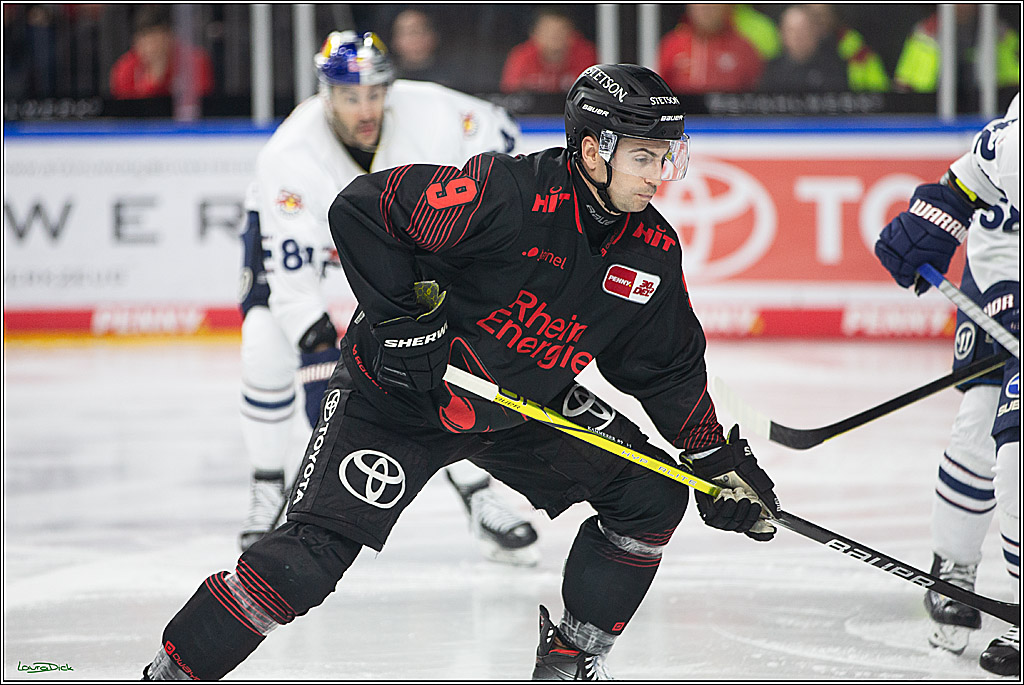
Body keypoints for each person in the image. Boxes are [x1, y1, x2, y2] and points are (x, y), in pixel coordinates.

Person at [141, 63, 782, 681]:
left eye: (667, 154)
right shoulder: (506, 195)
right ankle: (174, 672)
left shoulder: (652, 252)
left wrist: (713, 460)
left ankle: (570, 661)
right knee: (308, 559)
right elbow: (365, 209)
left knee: (649, 496)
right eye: (645, 156)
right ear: (593, 152)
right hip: (396, 396)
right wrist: (403, 323)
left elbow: (666, 370)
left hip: (520, 406)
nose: (662, 175)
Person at [236, 30, 539, 568]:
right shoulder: (288, 155)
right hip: (310, 253)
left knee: (441, 354)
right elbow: (295, 285)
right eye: (351, 96)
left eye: (375, 92)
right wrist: (320, 355)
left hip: (391, 243)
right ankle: (267, 487)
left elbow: (503, 136)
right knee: (264, 341)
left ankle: (477, 492)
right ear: (326, 94)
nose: (365, 107)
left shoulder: (433, 110)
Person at [875, 93, 1019, 677]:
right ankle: (954, 571)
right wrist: (931, 219)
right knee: (983, 427)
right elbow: (975, 173)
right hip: (1001, 266)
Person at [893, 4, 1019, 93]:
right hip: (932, 116)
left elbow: (1014, 86)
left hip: (988, 114)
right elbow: (905, 88)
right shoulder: (925, 33)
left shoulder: (1001, 33)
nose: (962, 5)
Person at [108, 4, 214, 100]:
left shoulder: (195, 62)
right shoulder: (124, 69)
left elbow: (201, 103)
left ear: (170, 37)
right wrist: (154, 80)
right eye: (145, 40)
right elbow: (127, 110)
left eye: (156, 40)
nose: (151, 47)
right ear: (136, 42)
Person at [657, 4, 763, 94]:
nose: (706, 8)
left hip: (729, 116)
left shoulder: (743, 48)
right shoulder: (672, 45)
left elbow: (755, 95)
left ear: (726, 7)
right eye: (700, 5)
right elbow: (658, 90)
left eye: (713, 5)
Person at [500, 7, 597, 94]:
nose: (554, 36)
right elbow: (510, 95)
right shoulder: (521, 56)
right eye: (548, 31)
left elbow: (595, 95)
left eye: (561, 31)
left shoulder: (586, 55)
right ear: (534, 34)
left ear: (572, 33)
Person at [759, 5, 847, 93]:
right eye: (791, 30)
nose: (797, 36)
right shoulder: (772, 70)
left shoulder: (834, 67)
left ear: (816, 31)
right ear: (781, 34)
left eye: (803, 30)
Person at [802, 3, 890, 92]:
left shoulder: (855, 47)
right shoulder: (793, 51)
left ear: (833, 16)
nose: (818, 21)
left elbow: (880, 91)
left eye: (821, 15)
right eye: (812, 16)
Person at [388, 8, 458, 89]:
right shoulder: (386, 77)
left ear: (432, 36)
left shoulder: (453, 77)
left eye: (415, 32)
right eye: (404, 32)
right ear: (395, 41)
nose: (411, 39)